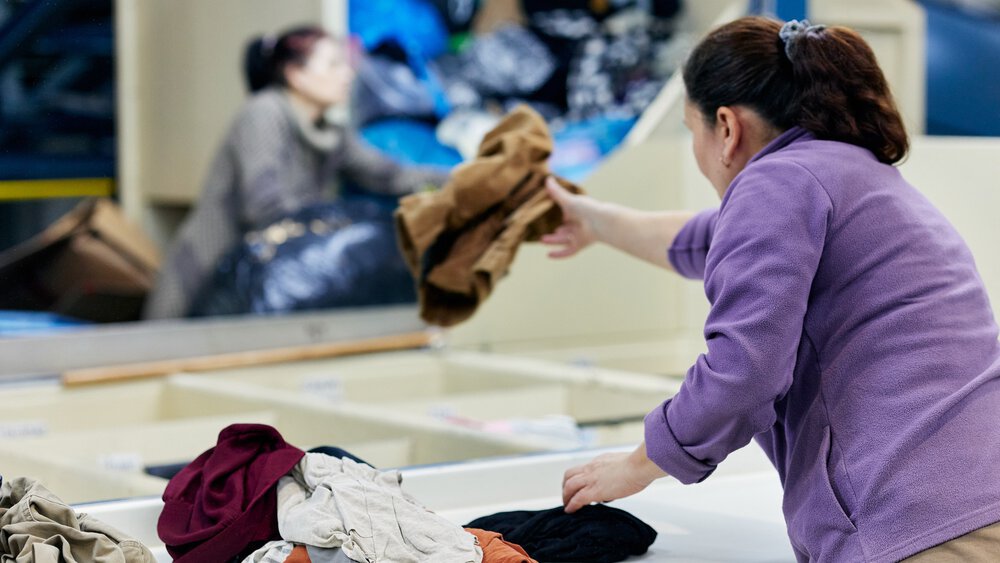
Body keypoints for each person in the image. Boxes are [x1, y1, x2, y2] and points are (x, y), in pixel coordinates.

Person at [545, 16, 1000, 562]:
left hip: (916, 523)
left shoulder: (777, 183)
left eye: (694, 132)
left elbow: (743, 374)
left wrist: (636, 465)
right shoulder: (849, 176)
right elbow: (698, 238)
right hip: (972, 500)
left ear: (726, 127)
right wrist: (592, 220)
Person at [145, 26, 449, 319]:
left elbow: (389, 176)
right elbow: (263, 206)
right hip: (211, 268)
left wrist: (462, 178)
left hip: (261, 275)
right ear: (296, 75)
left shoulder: (331, 132)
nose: (346, 74)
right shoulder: (264, 113)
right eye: (333, 65)